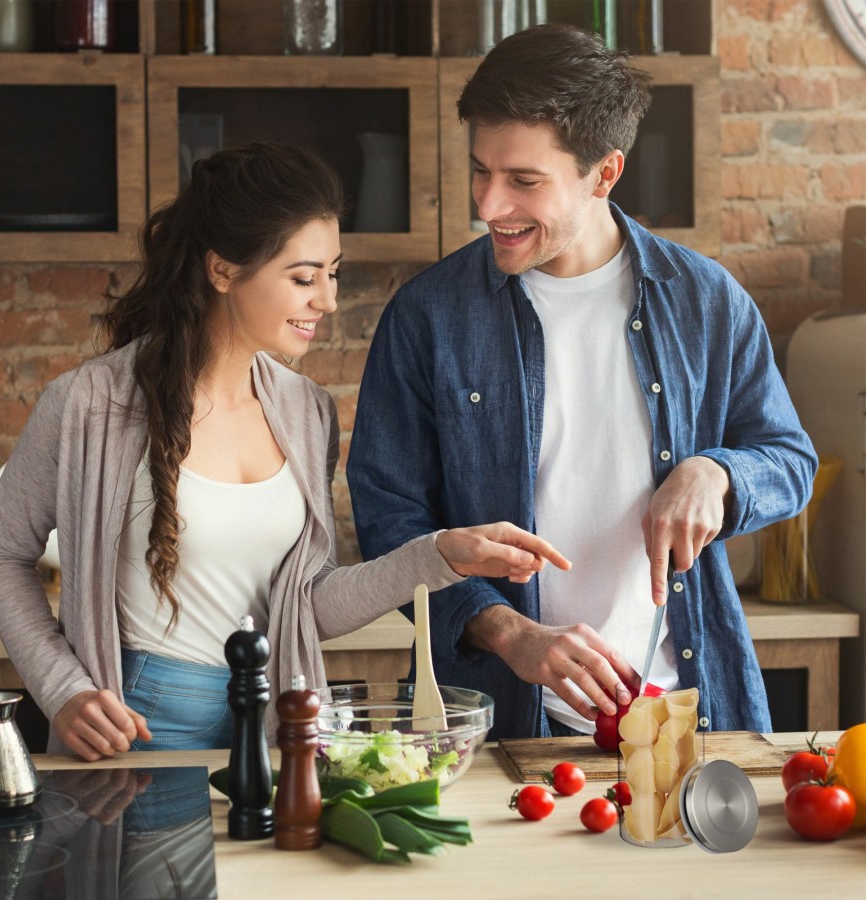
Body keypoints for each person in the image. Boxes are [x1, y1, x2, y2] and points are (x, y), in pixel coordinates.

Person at [0, 141, 569, 761]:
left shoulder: (306, 412)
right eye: (303, 277)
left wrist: (440, 555)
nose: (328, 300)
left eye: (332, 273)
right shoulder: (89, 404)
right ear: (223, 270)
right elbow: (3, 554)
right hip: (140, 723)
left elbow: (306, 605)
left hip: (278, 723)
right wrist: (63, 689)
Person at [346, 25, 818, 741]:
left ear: (604, 173)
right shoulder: (428, 317)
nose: (489, 204)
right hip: (498, 724)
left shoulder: (707, 301)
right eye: (481, 170)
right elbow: (390, 521)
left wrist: (715, 474)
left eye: (524, 181)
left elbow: (789, 460)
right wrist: (508, 632)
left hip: (686, 712)